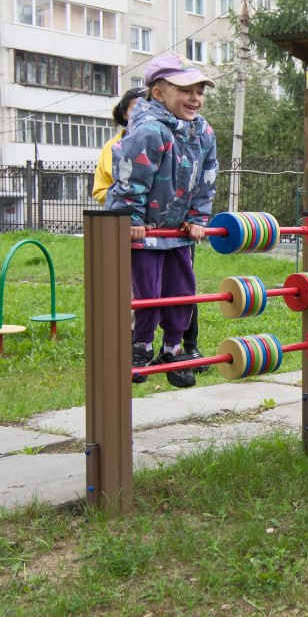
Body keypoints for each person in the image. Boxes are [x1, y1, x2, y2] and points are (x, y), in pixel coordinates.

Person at [106, 52, 219, 389]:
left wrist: (199, 217)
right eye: (185, 90)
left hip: (178, 231)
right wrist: (132, 218)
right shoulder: (149, 131)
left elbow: (207, 177)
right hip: (145, 231)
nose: (195, 99)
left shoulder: (203, 133)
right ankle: (140, 347)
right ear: (159, 93)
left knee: (182, 293)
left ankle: (173, 349)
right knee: (149, 295)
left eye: (199, 91)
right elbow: (130, 178)